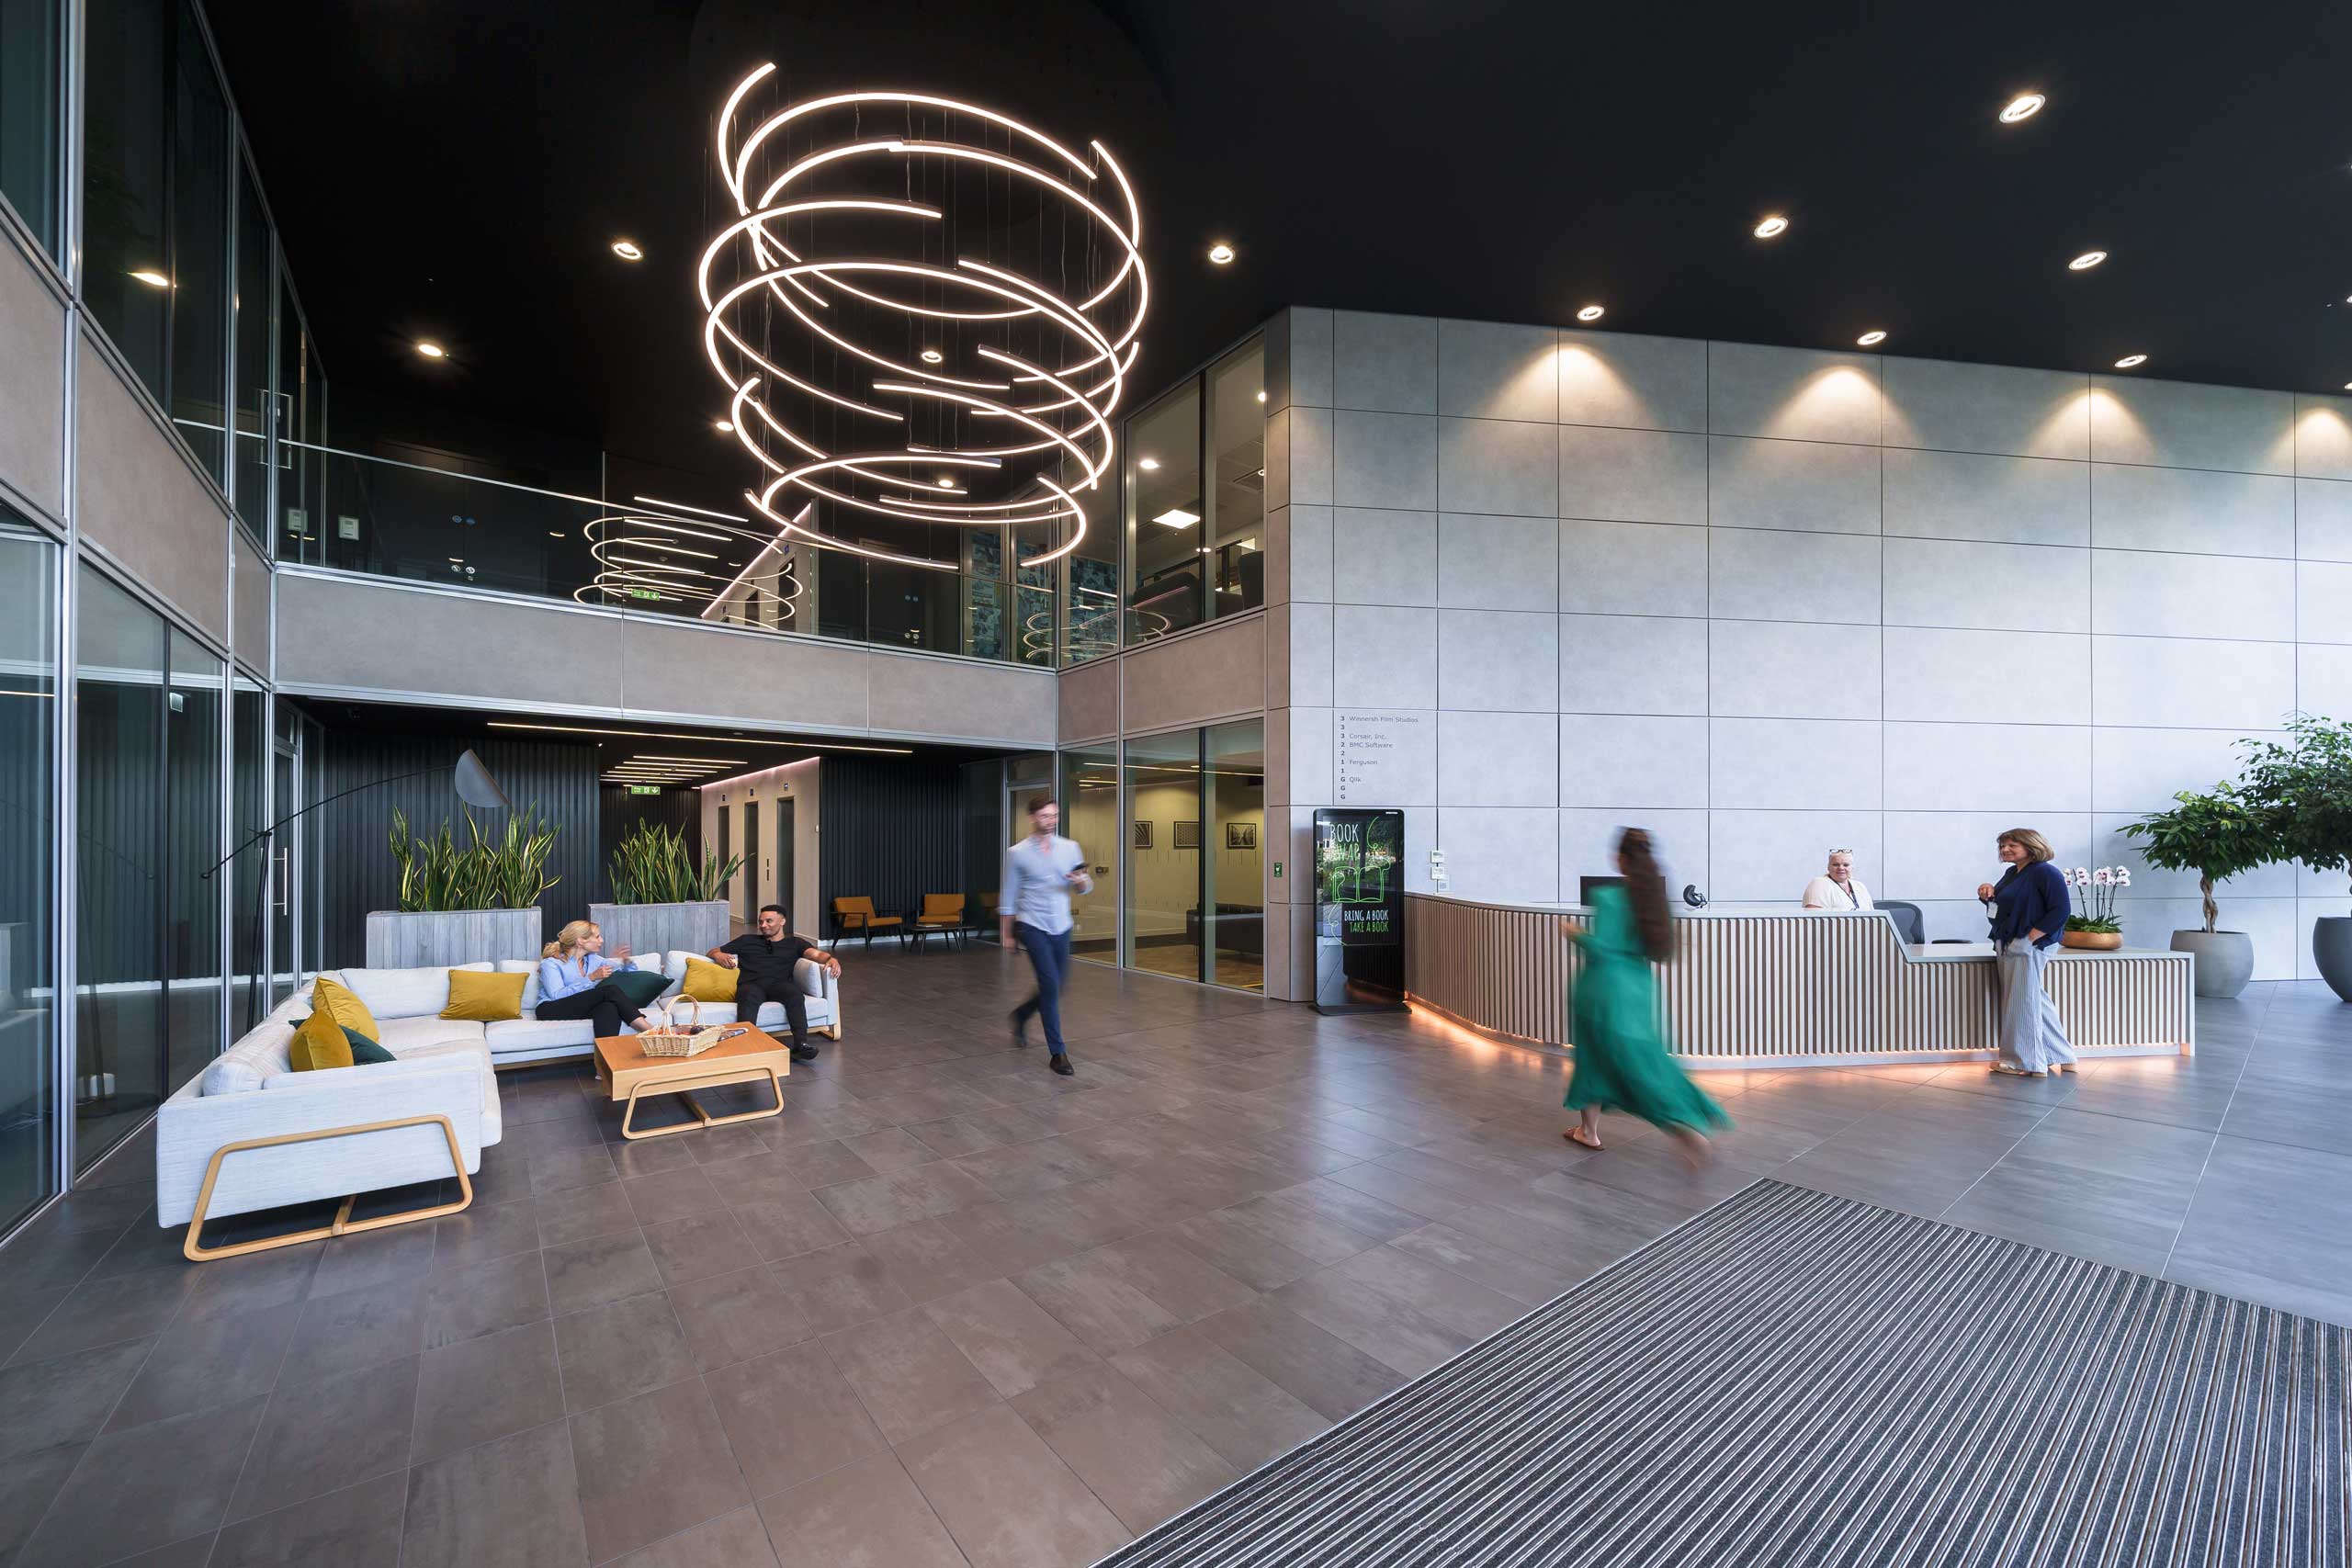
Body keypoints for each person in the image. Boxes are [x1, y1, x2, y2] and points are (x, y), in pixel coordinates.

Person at [1559, 829, 1730, 1166]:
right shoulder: (1654, 902)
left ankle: (1681, 1129)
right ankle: (1588, 1131)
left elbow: (1603, 949)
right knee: (1642, 1060)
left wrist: (1575, 933)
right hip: (1639, 990)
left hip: (1603, 989)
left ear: (1620, 859)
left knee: (1598, 1059)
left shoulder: (1609, 897)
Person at [1000, 795, 1093, 1076]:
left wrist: (1081, 882)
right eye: (1045, 816)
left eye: (1054, 815)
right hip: (1032, 925)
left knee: (1056, 987)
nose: (1051, 821)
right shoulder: (1017, 853)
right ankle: (1057, 1052)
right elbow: (1008, 895)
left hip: (1062, 925)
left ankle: (1021, 1015)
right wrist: (1007, 933)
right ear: (1032, 817)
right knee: (1050, 984)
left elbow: (1085, 887)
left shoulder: (1070, 847)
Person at [1977, 828, 2076, 1077]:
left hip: (2029, 944)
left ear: (2031, 846)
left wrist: (2029, 938)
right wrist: (1987, 892)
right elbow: (2004, 907)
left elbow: (2061, 911)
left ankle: (2024, 1062)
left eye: (2012, 845)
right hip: (2011, 942)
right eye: (2002, 846)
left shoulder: (2045, 872)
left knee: (2022, 1001)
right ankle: (2061, 1055)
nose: (2005, 850)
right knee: (2032, 998)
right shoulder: (2012, 873)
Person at [706, 904, 842, 1063]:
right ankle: (746, 1046)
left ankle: (800, 1045)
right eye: (760, 921)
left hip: (779, 985)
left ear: (782, 922)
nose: (763, 925)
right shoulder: (747, 940)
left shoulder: (795, 943)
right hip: (751, 984)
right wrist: (718, 955)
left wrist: (831, 959)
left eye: (769, 921)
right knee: (747, 996)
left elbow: (816, 955)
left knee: (795, 994)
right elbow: (713, 951)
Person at [536, 920, 660, 1039]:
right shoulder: (551, 963)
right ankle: (648, 1029)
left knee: (608, 1007)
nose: (602, 940)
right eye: (597, 937)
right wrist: (591, 978)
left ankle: (606, 1053)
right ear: (581, 941)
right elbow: (556, 996)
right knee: (610, 991)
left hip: (578, 1007)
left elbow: (628, 973)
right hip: (549, 1009)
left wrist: (625, 960)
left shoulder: (594, 960)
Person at [1801, 849, 1874, 910]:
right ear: (1828, 867)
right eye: (1836, 865)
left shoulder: (1860, 886)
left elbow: (1873, 915)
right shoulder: (1819, 884)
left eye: (1846, 865)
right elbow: (1814, 918)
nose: (1841, 868)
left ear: (1852, 868)